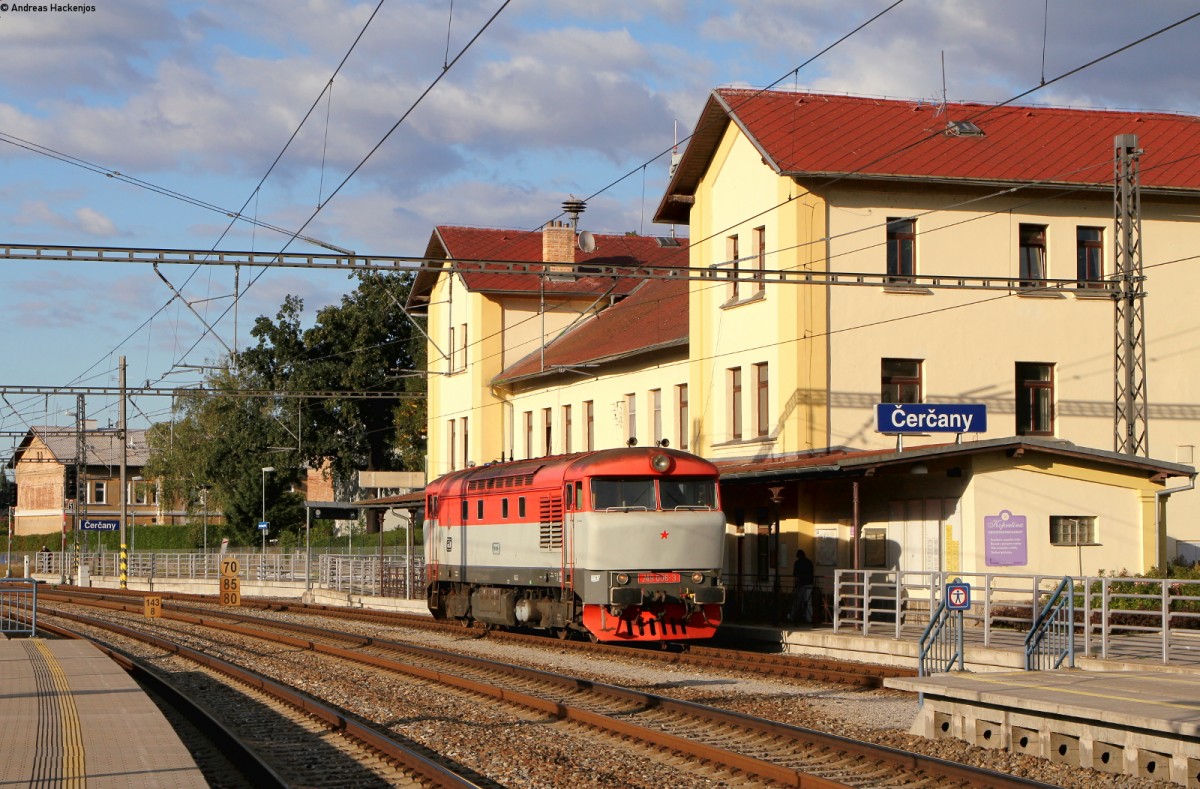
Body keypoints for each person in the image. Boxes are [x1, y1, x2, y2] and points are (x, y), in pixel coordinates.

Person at [790, 548, 814, 624]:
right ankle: (809, 618)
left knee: (798, 602)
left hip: (801, 585)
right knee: (808, 602)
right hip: (809, 584)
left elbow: (795, 576)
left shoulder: (797, 563)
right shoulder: (809, 562)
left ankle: (795, 617)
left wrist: (795, 586)